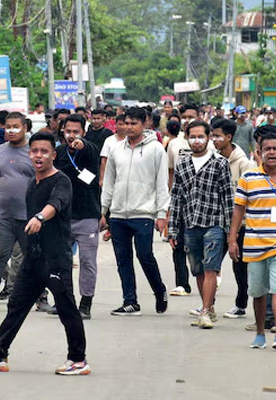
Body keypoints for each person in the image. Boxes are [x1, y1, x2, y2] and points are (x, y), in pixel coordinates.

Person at [0, 132, 90, 376]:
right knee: (16, 305)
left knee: (66, 308)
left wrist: (39, 217)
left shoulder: (60, 181)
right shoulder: (31, 184)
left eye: (44, 151)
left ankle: (78, 360)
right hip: (33, 258)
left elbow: (56, 203)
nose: (38, 155)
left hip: (56, 259)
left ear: (53, 155)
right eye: (34, 151)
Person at [228, 131, 276, 350]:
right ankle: (260, 332)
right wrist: (232, 240)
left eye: (275, 149)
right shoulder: (249, 178)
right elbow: (238, 210)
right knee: (258, 292)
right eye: (267, 149)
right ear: (259, 153)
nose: (271, 153)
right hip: (254, 244)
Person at [0, 112, 46, 312]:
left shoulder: (35, 152)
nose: (11, 131)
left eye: (16, 126)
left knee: (34, 257)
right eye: (8, 127)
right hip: (2, 216)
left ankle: (41, 297)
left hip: (29, 217)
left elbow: (45, 182)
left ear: (25, 128)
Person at [101, 107, 169, 315]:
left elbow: (161, 183)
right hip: (118, 213)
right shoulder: (116, 149)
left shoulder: (156, 149)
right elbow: (109, 182)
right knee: (123, 259)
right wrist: (104, 210)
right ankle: (130, 301)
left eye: (134, 123)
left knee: (145, 255)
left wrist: (161, 214)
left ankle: (160, 290)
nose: (129, 127)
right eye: (126, 123)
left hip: (144, 212)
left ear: (145, 124)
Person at [168, 121, 233, 329]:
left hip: (213, 223)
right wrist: (172, 229)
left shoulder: (220, 163)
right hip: (190, 224)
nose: (197, 141)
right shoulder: (183, 164)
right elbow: (176, 197)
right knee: (197, 270)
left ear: (209, 138)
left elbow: (228, 197)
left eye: (201, 136)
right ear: (187, 138)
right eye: (193, 137)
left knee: (211, 268)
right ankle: (209, 306)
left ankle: (204, 311)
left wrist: (231, 231)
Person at [53, 114, 103, 319]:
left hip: (87, 215)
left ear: (83, 132)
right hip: (63, 217)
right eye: (68, 131)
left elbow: (86, 148)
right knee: (61, 261)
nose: (71, 135)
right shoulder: (59, 152)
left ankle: (86, 303)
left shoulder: (90, 149)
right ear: (62, 131)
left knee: (87, 261)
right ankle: (65, 300)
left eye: (76, 131)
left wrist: (81, 144)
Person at [211, 118, 255, 319]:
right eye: (213, 135)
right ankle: (207, 303)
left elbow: (248, 196)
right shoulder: (213, 158)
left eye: (218, 136)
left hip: (240, 224)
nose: (214, 140)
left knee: (240, 266)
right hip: (217, 221)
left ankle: (241, 303)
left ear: (229, 137)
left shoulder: (244, 163)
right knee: (210, 264)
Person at [166, 119, 192, 297]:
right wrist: (168, 199)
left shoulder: (212, 147)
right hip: (179, 200)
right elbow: (170, 172)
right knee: (178, 243)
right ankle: (182, 283)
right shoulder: (174, 144)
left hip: (204, 204)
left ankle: (212, 277)